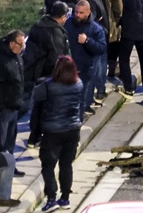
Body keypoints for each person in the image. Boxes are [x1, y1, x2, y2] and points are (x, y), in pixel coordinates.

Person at [31, 56, 84, 211]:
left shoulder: (48, 86)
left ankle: (52, 197)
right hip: (73, 130)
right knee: (66, 165)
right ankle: (65, 198)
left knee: (48, 165)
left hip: (53, 131)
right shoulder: (78, 84)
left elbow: (36, 99)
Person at [0, 31, 26, 153]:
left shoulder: (16, 56)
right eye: (20, 44)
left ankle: (10, 167)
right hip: (3, 110)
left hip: (14, 106)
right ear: (12, 43)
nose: (22, 47)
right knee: (0, 142)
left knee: (10, 140)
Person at [63, 0, 106, 112]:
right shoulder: (68, 23)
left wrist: (87, 41)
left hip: (85, 69)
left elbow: (101, 48)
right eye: (76, 12)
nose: (77, 15)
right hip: (68, 68)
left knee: (80, 100)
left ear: (88, 12)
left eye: (81, 13)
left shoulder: (96, 29)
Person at [21, 3, 70, 88]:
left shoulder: (38, 25)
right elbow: (55, 57)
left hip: (29, 69)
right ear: (63, 16)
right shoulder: (55, 33)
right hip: (44, 76)